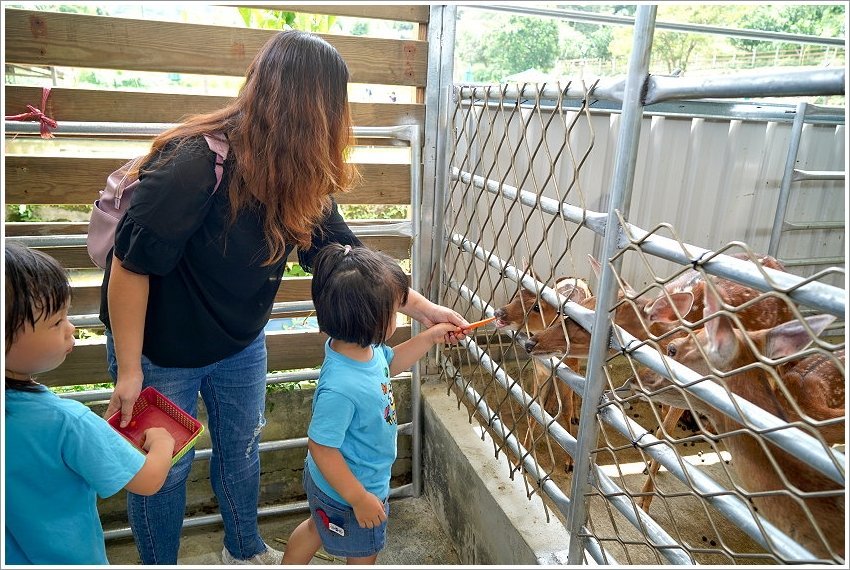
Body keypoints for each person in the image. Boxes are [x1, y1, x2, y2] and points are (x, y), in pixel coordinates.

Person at [98, 30, 467, 565]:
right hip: (158, 351)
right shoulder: (193, 165)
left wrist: (426, 310)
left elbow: (349, 261)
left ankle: (243, 550)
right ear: (312, 107)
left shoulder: (297, 173)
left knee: (242, 450)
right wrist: (130, 371)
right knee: (163, 470)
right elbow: (129, 269)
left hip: (238, 343)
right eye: (337, 104)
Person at [282, 244, 465, 565]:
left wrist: (430, 337)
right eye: (394, 310)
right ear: (372, 320)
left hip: (332, 483)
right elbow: (322, 447)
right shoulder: (341, 386)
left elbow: (389, 365)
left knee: (315, 526)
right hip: (350, 490)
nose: (397, 315)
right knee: (364, 552)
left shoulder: (362, 350)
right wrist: (359, 498)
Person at [4, 243, 175, 565]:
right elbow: (147, 480)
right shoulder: (67, 420)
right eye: (56, 322)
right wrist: (162, 442)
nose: (71, 328)